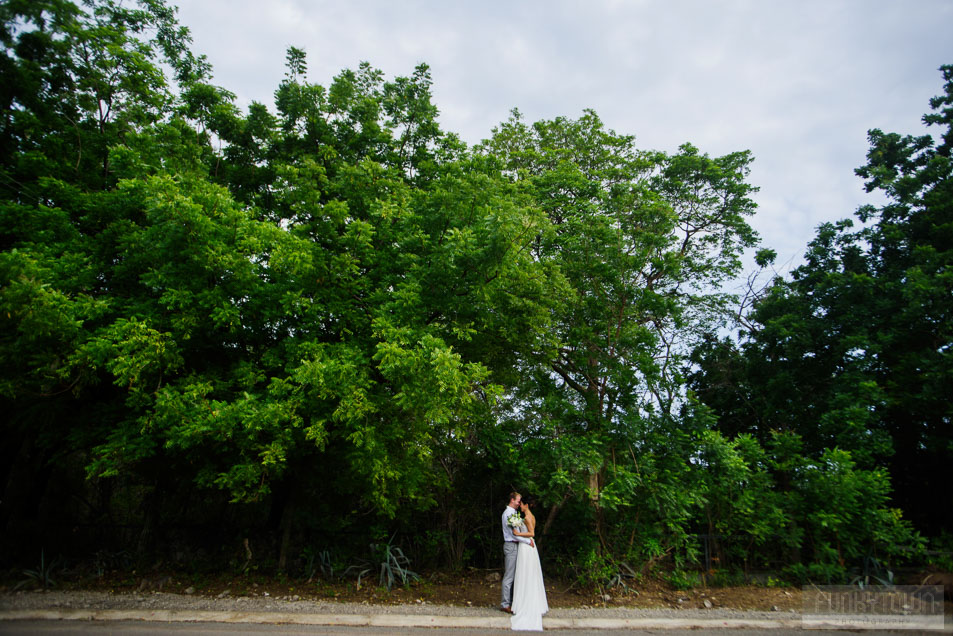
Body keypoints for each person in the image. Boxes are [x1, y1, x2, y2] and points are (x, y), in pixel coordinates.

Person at [510, 495, 549, 631]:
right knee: (528, 574)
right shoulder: (529, 516)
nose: (520, 506)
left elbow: (531, 533)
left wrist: (517, 534)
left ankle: (524, 604)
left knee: (525, 574)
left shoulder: (527, 517)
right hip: (529, 547)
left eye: (522, 504)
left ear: (526, 505)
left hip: (526, 547)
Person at [501, 491, 533, 613]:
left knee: (515, 575)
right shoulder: (508, 514)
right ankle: (505, 603)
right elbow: (513, 534)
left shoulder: (514, 513)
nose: (520, 503)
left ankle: (513, 601)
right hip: (511, 545)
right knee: (509, 575)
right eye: (518, 501)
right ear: (512, 500)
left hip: (516, 545)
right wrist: (526, 541)